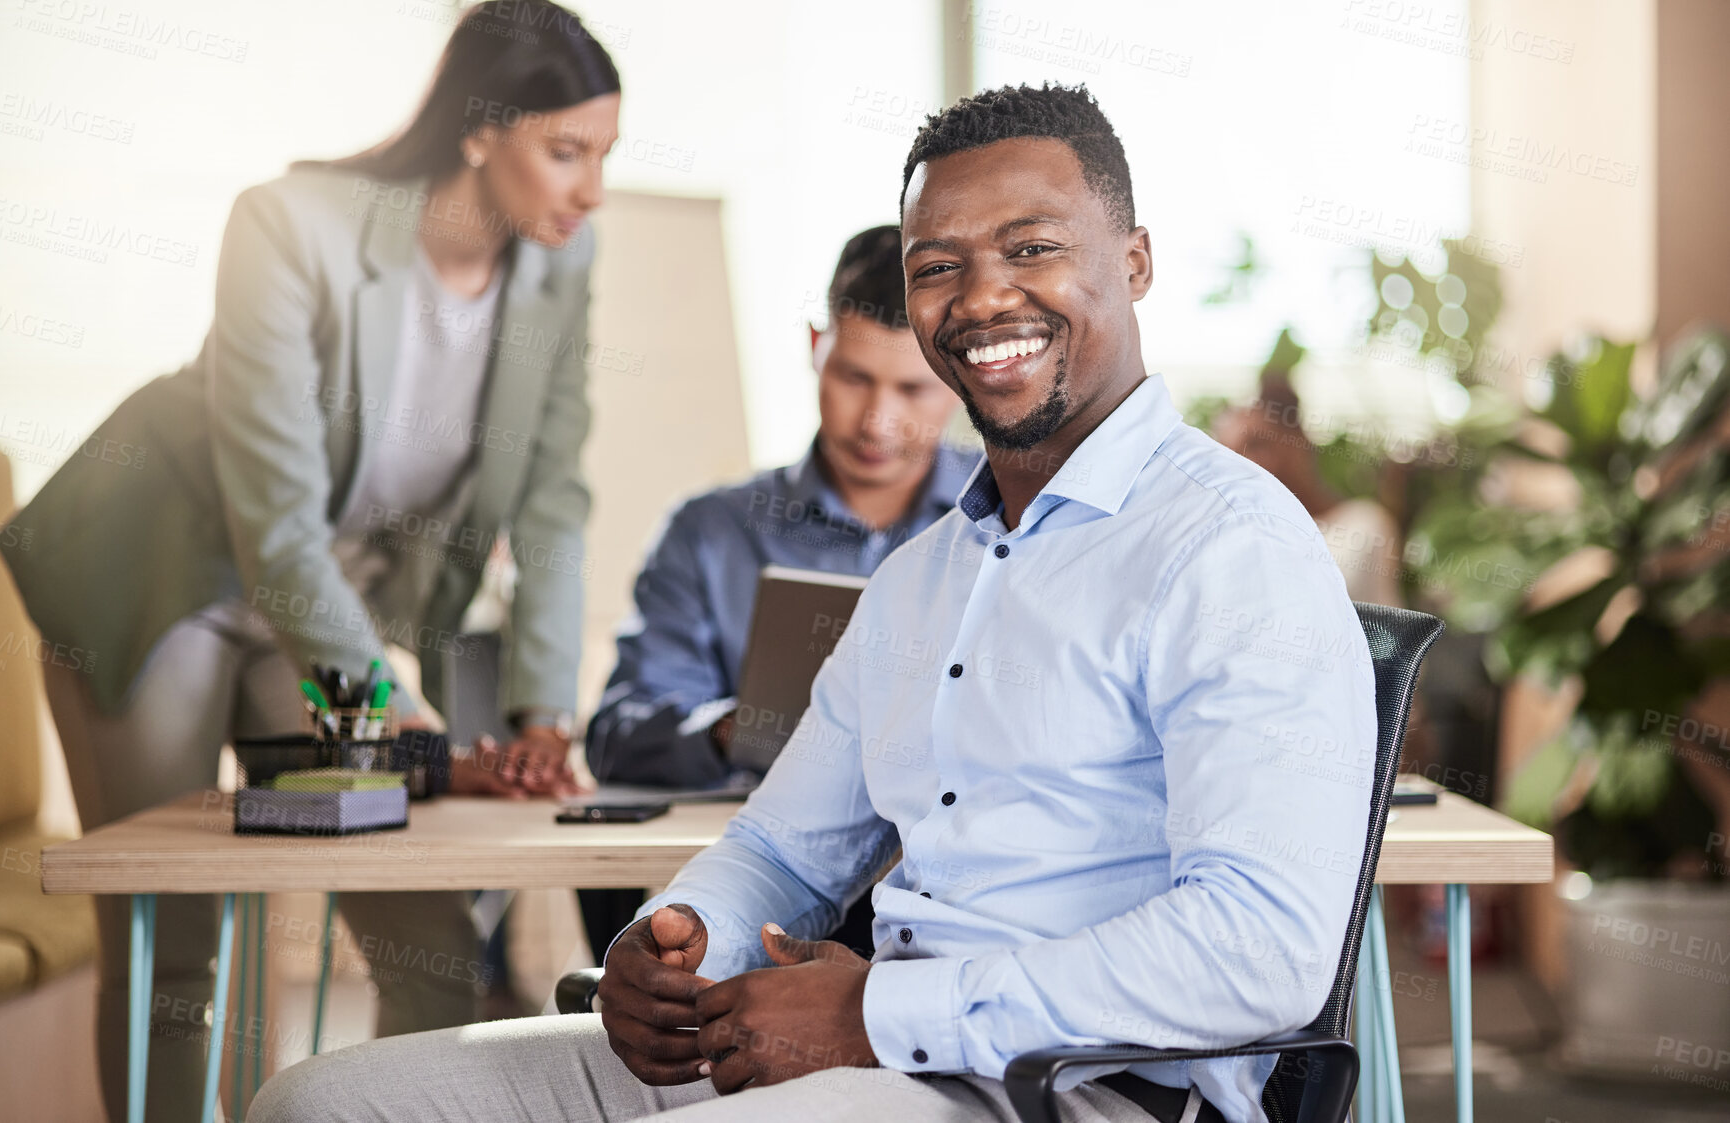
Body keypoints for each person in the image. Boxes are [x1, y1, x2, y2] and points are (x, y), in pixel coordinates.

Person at [249, 82, 1376, 1123]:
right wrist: (679, 938)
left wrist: (878, 1016)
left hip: (1073, 1090)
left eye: (1031, 248)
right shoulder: (923, 578)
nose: (982, 296)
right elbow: (783, 853)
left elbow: (1264, 948)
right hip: (880, 1052)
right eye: (937, 266)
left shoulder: (1232, 545)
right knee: (323, 1105)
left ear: (1132, 263)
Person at [0, 0, 618, 1121]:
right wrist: (406, 724)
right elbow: (274, 528)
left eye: (603, 155)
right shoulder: (290, 226)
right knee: (177, 937)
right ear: (480, 130)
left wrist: (541, 717)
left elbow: (554, 501)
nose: (591, 190)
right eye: (565, 151)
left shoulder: (557, 267)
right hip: (170, 575)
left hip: (322, 602)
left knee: (426, 932)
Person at [577, 224, 975, 954]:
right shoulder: (709, 533)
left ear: (956, 376)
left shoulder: (1002, 535)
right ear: (814, 346)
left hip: (952, 910)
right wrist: (741, 727)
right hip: (759, 893)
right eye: (853, 376)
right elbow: (618, 733)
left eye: (913, 387)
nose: (877, 421)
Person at [1211, 376, 1404, 605]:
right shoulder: (1234, 536)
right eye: (1228, 452)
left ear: (1298, 440)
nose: (1244, 462)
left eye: (1256, 445)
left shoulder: (1365, 525)